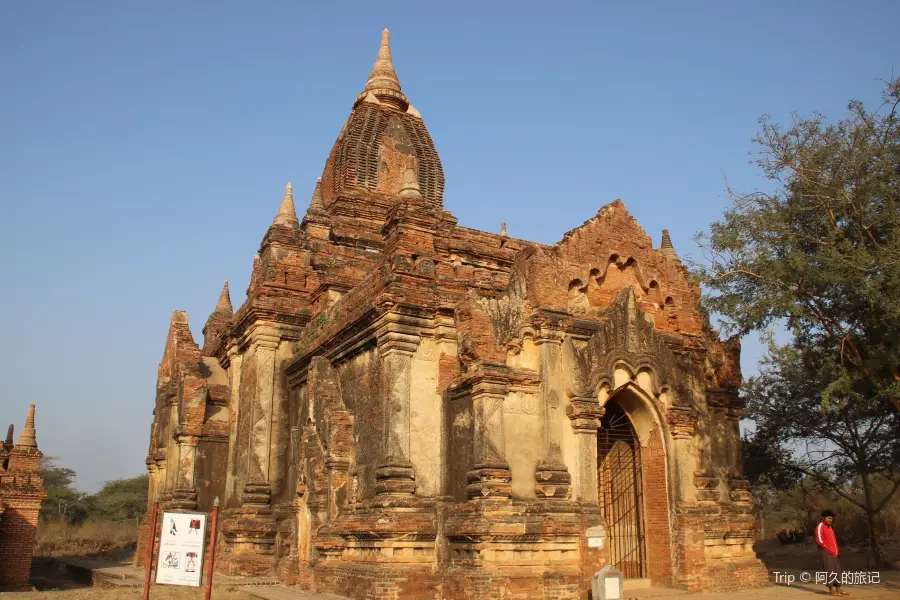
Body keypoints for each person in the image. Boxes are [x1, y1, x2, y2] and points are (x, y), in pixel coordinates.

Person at [815, 510, 849, 596]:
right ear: (823, 518)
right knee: (829, 570)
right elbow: (820, 540)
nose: (830, 520)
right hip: (825, 552)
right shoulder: (820, 526)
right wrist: (827, 549)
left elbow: (833, 541)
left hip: (834, 552)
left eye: (831, 518)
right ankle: (831, 589)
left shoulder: (829, 527)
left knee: (837, 570)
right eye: (828, 518)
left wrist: (836, 551)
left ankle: (838, 588)